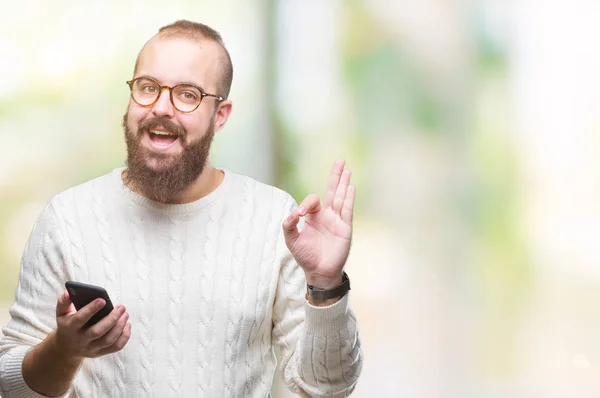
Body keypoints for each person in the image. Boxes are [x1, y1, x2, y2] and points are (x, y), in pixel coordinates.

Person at [0, 20, 362, 398]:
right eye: (148, 87)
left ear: (220, 115)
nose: (160, 107)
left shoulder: (272, 218)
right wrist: (65, 349)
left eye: (187, 95)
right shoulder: (68, 218)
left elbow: (326, 387)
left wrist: (326, 286)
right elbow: (11, 386)